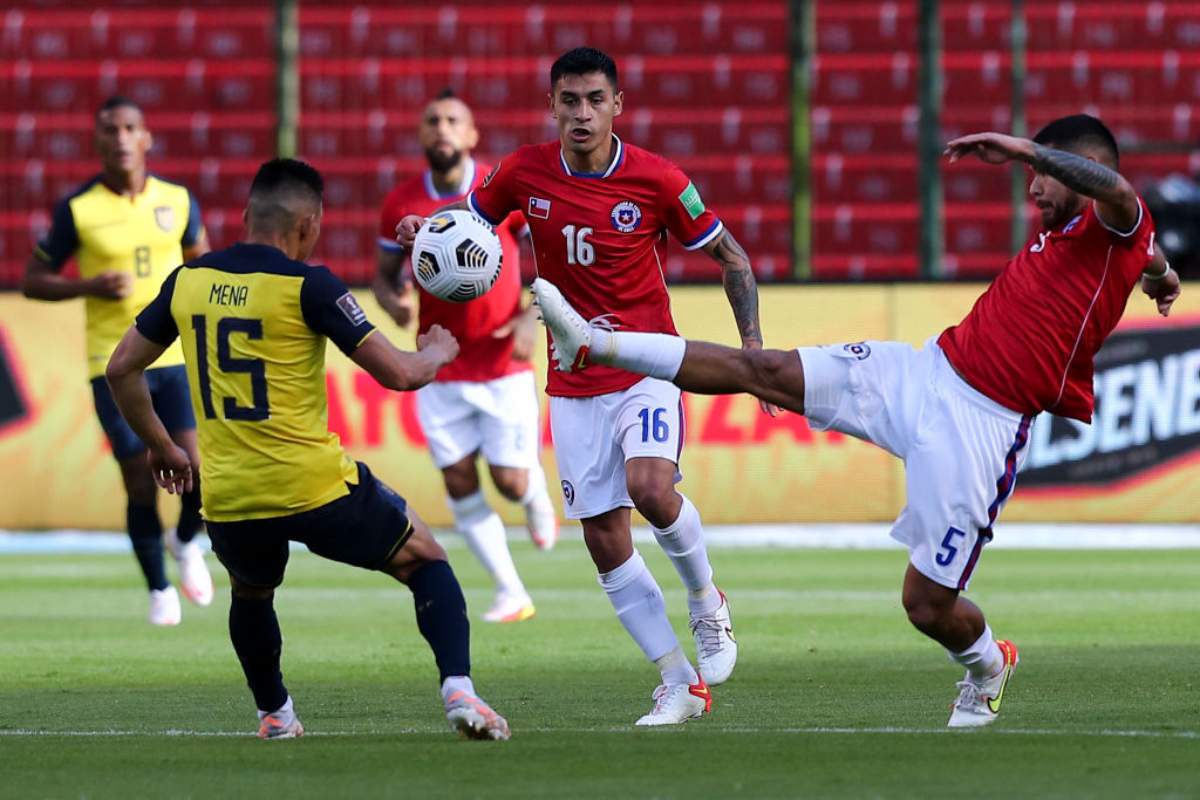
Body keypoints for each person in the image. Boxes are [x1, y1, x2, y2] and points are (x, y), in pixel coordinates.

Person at [533, 114, 1182, 729]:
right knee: (766, 370)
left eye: (1045, 177)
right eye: (1033, 175)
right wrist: (1162, 273)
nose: (1033, 189)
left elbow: (1122, 196)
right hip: (925, 372)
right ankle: (594, 342)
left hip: (983, 427)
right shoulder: (1105, 238)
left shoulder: (1117, 218)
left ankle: (988, 663)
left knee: (926, 606)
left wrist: (1025, 150)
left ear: (1081, 168)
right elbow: (1145, 252)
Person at [398, 47, 768, 726]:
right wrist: (429, 231)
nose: (582, 113)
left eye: (595, 100)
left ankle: (707, 600)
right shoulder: (523, 170)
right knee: (603, 536)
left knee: (651, 489)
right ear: (552, 106)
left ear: (617, 105)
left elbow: (731, 256)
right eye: (569, 100)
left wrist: (753, 350)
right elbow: (469, 222)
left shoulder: (658, 179)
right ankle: (678, 682)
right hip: (573, 380)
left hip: (649, 365)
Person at [104, 158, 510, 741]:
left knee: (251, 592)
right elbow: (399, 373)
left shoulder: (187, 280)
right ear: (308, 224)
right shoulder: (310, 285)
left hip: (232, 494)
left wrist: (163, 446)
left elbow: (121, 368)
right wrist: (438, 352)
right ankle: (459, 691)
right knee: (425, 560)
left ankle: (275, 715)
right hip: (314, 486)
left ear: (246, 215)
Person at [21, 95, 214, 625]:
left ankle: (185, 541)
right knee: (138, 477)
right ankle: (159, 589)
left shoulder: (178, 200)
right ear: (98, 141)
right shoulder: (78, 209)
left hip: (174, 357)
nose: (121, 138)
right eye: (110, 129)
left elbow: (202, 267)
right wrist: (87, 285)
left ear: (147, 138)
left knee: (199, 470)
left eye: (130, 127)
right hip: (112, 363)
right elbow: (33, 281)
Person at [375, 89, 558, 624]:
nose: (442, 128)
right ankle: (510, 591)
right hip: (439, 362)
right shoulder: (401, 203)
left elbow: (553, 259)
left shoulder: (498, 193)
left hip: (501, 360)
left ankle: (534, 492)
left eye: (453, 120)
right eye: (432, 120)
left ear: (472, 134)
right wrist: (393, 302)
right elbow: (383, 277)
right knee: (457, 478)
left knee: (510, 482)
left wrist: (529, 315)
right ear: (421, 134)